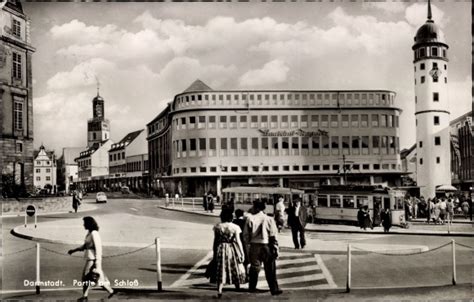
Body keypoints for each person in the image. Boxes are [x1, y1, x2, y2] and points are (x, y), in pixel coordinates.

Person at [68, 217, 114, 300]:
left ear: (89, 224)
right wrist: (74, 250)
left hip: (93, 259)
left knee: (86, 277)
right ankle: (110, 291)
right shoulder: (89, 233)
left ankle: (85, 296)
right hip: (90, 258)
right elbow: (85, 246)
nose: (83, 225)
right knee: (97, 277)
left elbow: (98, 248)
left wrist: (97, 262)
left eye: (84, 223)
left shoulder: (94, 233)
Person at [243, 200, 282, 296]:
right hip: (267, 245)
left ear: (256, 208)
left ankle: (252, 287)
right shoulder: (269, 219)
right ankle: (274, 289)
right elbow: (274, 235)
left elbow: (245, 235)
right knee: (270, 267)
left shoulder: (250, 219)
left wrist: (248, 244)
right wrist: (276, 247)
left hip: (254, 246)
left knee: (254, 267)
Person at [211, 208, 246, 298]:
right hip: (231, 248)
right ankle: (237, 286)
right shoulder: (235, 227)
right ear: (231, 217)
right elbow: (238, 241)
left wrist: (214, 252)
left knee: (221, 268)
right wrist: (242, 253)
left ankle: (219, 290)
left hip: (221, 248)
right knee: (234, 266)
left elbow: (215, 241)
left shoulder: (218, 226)